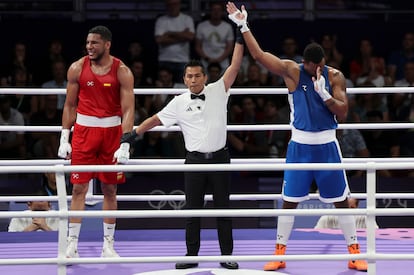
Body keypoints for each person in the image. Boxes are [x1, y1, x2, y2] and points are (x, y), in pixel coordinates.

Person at [226, 2, 368, 272]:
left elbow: (344, 112)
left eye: (315, 65)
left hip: (327, 145)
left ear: (322, 63)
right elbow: (258, 56)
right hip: (300, 146)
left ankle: (354, 252)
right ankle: (279, 253)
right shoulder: (293, 71)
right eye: (308, 64)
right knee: (289, 200)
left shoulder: (335, 77)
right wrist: (243, 25)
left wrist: (325, 95)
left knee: (340, 200)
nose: (310, 68)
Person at [120, 31, 244, 270]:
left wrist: (240, 36)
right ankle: (190, 255)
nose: (194, 79)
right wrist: (135, 134)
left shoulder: (219, 90)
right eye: (190, 76)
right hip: (195, 161)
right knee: (192, 210)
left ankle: (227, 254)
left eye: (198, 75)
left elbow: (235, 65)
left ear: (205, 77)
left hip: (220, 158)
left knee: (224, 209)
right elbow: (156, 119)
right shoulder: (178, 101)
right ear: (185, 79)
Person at [57, 25, 135, 258]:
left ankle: (108, 245)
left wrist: (125, 143)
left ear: (107, 45)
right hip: (83, 132)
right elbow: (70, 105)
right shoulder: (77, 68)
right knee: (79, 188)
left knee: (110, 189)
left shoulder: (122, 71)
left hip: (111, 133)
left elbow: (129, 109)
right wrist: (64, 137)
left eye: (94, 43)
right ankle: (72, 245)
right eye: (88, 42)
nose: (89, 47)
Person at [154, 0, 195, 82]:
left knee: (182, 88)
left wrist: (170, 33)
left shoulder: (187, 19)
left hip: (182, 60)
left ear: (179, 5)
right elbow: (159, 40)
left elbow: (190, 37)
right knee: (163, 89)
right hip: (165, 59)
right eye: (170, 4)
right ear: (167, 6)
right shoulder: (161, 20)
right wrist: (182, 35)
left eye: (175, 4)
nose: (173, 7)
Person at [314, 198, 379, 229]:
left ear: (356, 206)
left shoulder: (364, 217)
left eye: (351, 207)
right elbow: (316, 234)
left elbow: (375, 232)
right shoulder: (326, 217)